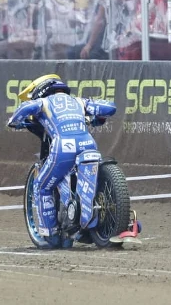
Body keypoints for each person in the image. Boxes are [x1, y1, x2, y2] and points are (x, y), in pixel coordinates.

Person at [7, 74, 119, 244]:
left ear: (41, 91)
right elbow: (110, 107)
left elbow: (23, 109)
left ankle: (51, 235)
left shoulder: (43, 102)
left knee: (41, 186)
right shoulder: (79, 102)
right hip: (88, 144)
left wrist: (14, 121)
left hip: (63, 148)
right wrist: (97, 117)